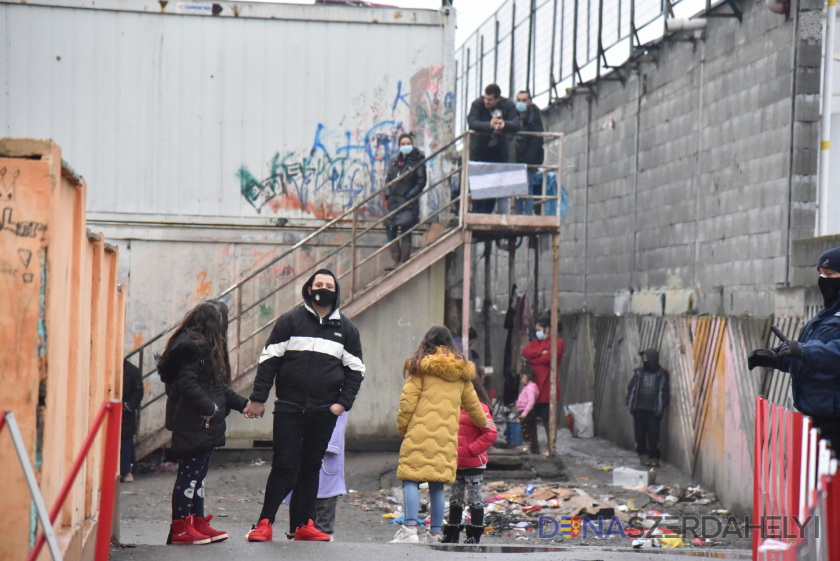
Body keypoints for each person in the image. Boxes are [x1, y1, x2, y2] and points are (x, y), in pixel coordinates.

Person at [244, 269, 365, 543]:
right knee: (283, 465)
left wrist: (341, 404)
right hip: (288, 407)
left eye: (329, 285)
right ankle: (264, 524)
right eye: (318, 284)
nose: (323, 288)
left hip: (324, 411)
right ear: (309, 289)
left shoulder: (346, 330)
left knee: (311, 466)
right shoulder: (290, 320)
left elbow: (356, 371)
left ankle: (305, 525)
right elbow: (269, 361)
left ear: (336, 291)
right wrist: (258, 398)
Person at [157, 302, 251, 545]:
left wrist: (243, 405)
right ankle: (181, 527)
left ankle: (196, 521)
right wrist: (209, 408)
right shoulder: (193, 348)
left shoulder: (204, 347)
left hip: (204, 424)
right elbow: (188, 384)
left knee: (198, 475)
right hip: (194, 422)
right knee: (189, 474)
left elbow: (218, 387)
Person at [390, 325, 488, 544]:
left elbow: (407, 403)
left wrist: (402, 428)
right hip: (446, 438)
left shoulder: (420, 367)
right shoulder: (461, 372)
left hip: (419, 432)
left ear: (427, 343)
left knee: (411, 479)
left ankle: (410, 530)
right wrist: (485, 423)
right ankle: (435, 534)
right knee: (436, 483)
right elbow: (474, 406)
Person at [749, 247, 840, 451]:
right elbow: (805, 355)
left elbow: (833, 354)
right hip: (814, 416)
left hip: (834, 420)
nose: (823, 280)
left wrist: (803, 351)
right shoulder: (824, 316)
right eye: (821, 274)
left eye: (830, 274)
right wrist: (776, 358)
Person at [441, 378, 497, 544]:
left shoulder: (481, 408)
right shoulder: (455, 407)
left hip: (474, 463)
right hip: (456, 462)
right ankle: (452, 533)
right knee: (455, 498)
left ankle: (474, 535)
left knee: (475, 499)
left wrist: (471, 450)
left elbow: (491, 434)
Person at [285, 411, 348, 540]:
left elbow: (340, 415)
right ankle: (296, 531)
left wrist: (329, 444)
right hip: (309, 444)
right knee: (301, 489)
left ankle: (323, 534)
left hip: (324, 447)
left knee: (324, 496)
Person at [466, 83, 520, 214]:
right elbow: (472, 121)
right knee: (478, 186)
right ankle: (477, 213)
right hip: (480, 152)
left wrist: (504, 125)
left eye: (490, 100)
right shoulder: (477, 104)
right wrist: (488, 125)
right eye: (485, 98)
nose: (486, 102)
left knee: (493, 187)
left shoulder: (508, 105)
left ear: (498, 99)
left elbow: (516, 123)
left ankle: (487, 213)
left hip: (498, 153)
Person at [521, 314, 565, 456]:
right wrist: (540, 353)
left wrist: (537, 357)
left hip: (547, 387)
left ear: (547, 329)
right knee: (530, 418)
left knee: (548, 420)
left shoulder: (558, 342)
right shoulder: (536, 343)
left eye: (539, 329)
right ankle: (532, 445)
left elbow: (549, 358)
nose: (536, 333)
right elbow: (526, 352)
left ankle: (550, 447)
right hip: (533, 388)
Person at [384, 133, 426, 270]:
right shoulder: (395, 161)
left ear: (412, 145)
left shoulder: (417, 160)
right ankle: (396, 260)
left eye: (408, 144)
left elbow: (421, 181)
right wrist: (388, 194)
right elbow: (388, 179)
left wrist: (409, 196)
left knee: (406, 231)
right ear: (399, 146)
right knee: (390, 230)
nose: (406, 146)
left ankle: (403, 261)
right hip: (394, 202)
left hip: (408, 203)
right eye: (403, 144)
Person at [625, 349, 670, 467]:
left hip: (653, 411)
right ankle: (643, 455)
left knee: (654, 434)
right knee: (640, 434)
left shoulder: (662, 375)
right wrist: (630, 403)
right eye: (643, 359)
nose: (645, 362)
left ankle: (654, 456)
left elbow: (665, 392)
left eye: (647, 359)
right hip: (639, 409)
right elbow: (631, 388)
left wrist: (662, 405)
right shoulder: (639, 373)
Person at [513, 91, 545, 215]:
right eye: (519, 100)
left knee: (528, 187)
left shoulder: (534, 117)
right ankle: (519, 214)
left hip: (531, 159)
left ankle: (526, 215)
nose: (521, 103)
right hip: (516, 159)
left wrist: (530, 160)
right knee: (517, 189)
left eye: (524, 100)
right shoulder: (512, 116)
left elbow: (537, 140)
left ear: (529, 102)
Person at [120, 358, 144, 483]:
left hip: (126, 414)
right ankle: (126, 470)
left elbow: (138, 391)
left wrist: (128, 406)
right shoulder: (127, 369)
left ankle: (126, 471)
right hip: (120, 411)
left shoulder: (131, 370)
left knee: (126, 442)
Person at [515, 371, 540, 454]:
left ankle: (527, 446)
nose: (521, 379)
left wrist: (525, 412)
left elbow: (531, 401)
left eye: (522, 377)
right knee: (526, 429)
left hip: (526, 411)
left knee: (526, 430)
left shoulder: (530, 388)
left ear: (527, 377)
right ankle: (527, 445)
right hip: (525, 411)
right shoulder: (529, 387)